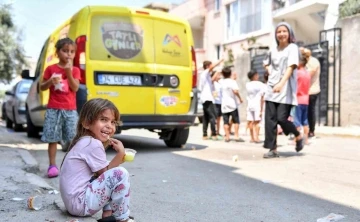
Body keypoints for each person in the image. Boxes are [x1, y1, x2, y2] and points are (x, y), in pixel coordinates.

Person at [60, 98, 133, 222]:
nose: (109, 126)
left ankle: (108, 215)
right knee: (120, 174)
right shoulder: (92, 144)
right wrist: (120, 154)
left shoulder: (85, 141)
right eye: (103, 120)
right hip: (80, 204)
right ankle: (123, 219)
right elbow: (106, 175)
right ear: (86, 123)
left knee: (109, 175)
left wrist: (118, 158)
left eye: (113, 122)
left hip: (74, 203)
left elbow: (103, 175)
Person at [40, 38, 81, 178]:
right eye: (65, 51)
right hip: (53, 108)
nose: (68, 54)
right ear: (57, 52)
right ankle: (52, 165)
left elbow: (75, 88)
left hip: (70, 109)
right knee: (53, 138)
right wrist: (51, 81)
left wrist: (68, 72)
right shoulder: (51, 69)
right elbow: (42, 87)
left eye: (72, 52)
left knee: (73, 138)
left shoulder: (75, 70)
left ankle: (73, 166)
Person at [263, 22, 304, 158]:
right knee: (270, 120)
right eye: (278, 32)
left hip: (285, 89)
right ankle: (272, 149)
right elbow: (266, 63)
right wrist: (270, 71)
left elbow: (291, 67)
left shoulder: (292, 48)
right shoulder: (273, 50)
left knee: (281, 119)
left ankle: (297, 135)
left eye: (284, 31)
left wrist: (281, 83)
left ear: (289, 33)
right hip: (271, 89)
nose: (281, 34)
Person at [199, 59, 224, 140]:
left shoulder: (206, 75)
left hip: (206, 98)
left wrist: (217, 72)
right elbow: (212, 67)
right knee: (213, 116)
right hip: (208, 99)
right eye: (211, 65)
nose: (212, 67)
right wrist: (220, 61)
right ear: (207, 66)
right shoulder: (205, 73)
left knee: (206, 117)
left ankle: (204, 134)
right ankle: (214, 134)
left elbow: (212, 80)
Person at [301, 48, 321, 138]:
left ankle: (311, 130)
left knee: (310, 111)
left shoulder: (313, 62)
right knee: (303, 111)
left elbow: (308, 76)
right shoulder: (303, 62)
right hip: (303, 91)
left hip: (311, 90)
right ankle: (305, 130)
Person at [220, 67, 243, 142]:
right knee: (236, 121)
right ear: (230, 74)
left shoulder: (221, 82)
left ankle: (227, 137)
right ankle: (236, 136)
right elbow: (235, 91)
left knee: (225, 121)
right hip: (232, 104)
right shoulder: (232, 82)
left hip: (224, 104)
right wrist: (240, 98)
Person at [294, 53, 311, 145]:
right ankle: (306, 139)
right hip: (306, 99)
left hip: (298, 99)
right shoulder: (307, 73)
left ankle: (297, 139)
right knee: (305, 121)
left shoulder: (297, 73)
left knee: (296, 121)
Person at [246, 69, 265, 143]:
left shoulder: (248, 84)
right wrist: (261, 108)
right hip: (257, 104)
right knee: (257, 122)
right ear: (254, 76)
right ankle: (256, 137)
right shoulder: (260, 84)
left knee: (250, 121)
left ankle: (252, 137)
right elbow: (262, 96)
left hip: (250, 104)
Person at [211, 70, 223, 138]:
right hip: (215, 102)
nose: (219, 76)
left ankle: (218, 132)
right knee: (214, 119)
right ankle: (212, 132)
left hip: (220, 102)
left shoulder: (220, 83)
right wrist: (216, 72)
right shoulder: (213, 83)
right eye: (218, 75)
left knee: (219, 118)